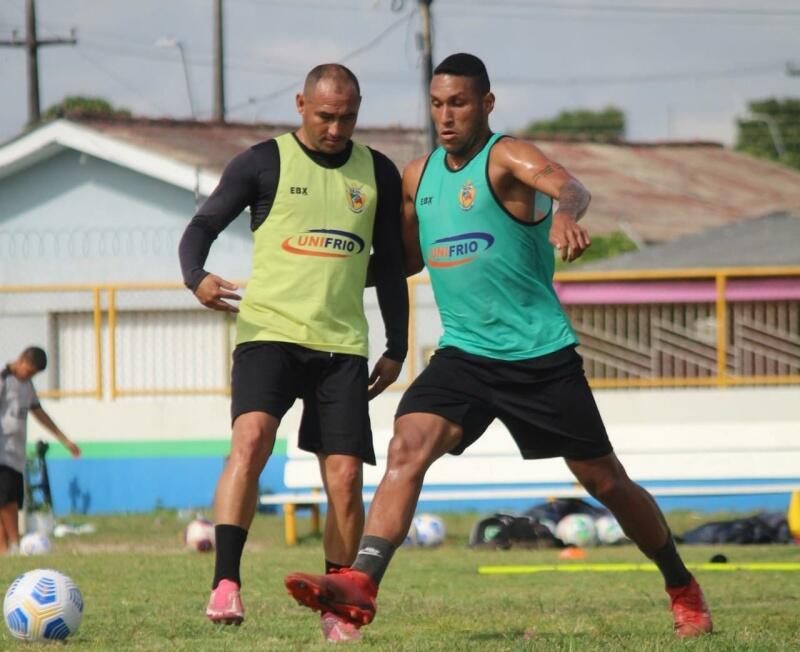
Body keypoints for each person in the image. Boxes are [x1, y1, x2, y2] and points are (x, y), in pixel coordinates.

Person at [284, 53, 713, 639]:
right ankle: (361, 583)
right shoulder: (419, 177)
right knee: (408, 446)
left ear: (485, 103)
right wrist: (327, 272)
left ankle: (681, 584)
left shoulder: (506, 158)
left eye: (458, 103)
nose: (445, 115)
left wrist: (564, 215)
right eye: (436, 104)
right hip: (465, 355)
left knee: (604, 481)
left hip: (538, 356)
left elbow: (569, 184)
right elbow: (406, 262)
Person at [178, 63, 408, 641]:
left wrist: (398, 346)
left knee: (347, 477)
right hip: (269, 335)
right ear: (302, 103)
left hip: (341, 345)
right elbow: (199, 228)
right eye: (326, 115)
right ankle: (226, 582)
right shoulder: (262, 162)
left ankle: (336, 598)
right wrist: (196, 277)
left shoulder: (376, 170)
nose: (336, 128)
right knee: (251, 441)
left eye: (348, 116)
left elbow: (386, 266)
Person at [0, 347, 81, 554]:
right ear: (20, 360)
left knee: (10, 501)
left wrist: (64, 439)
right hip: (2, 452)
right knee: (6, 499)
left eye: (33, 374)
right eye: (29, 371)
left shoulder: (27, 386)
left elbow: (39, 413)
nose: (29, 375)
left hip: (15, 453)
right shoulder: (4, 379)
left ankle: (5, 550)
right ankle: (15, 544)